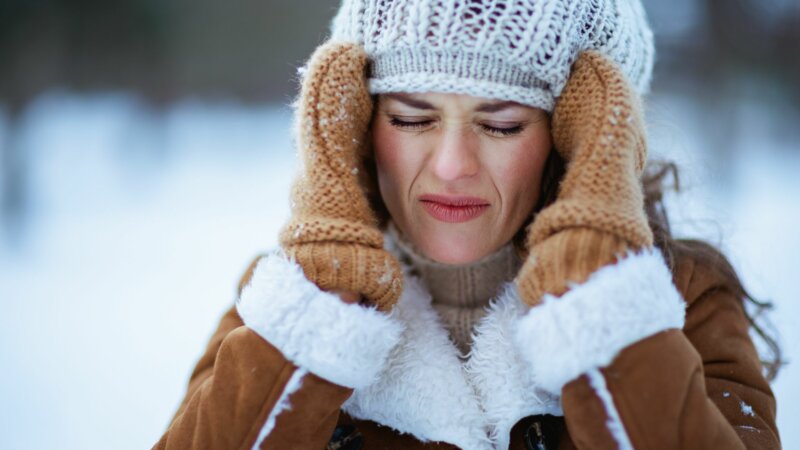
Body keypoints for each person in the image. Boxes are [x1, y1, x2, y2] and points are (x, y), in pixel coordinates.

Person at [153, 0, 780, 448]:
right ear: (358, 121)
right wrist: (322, 307)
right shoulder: (285, 304)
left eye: (501, 124)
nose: (452, 166)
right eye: (411, 119)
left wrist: (597, 293)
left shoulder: (681, 299)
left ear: (578, 135)